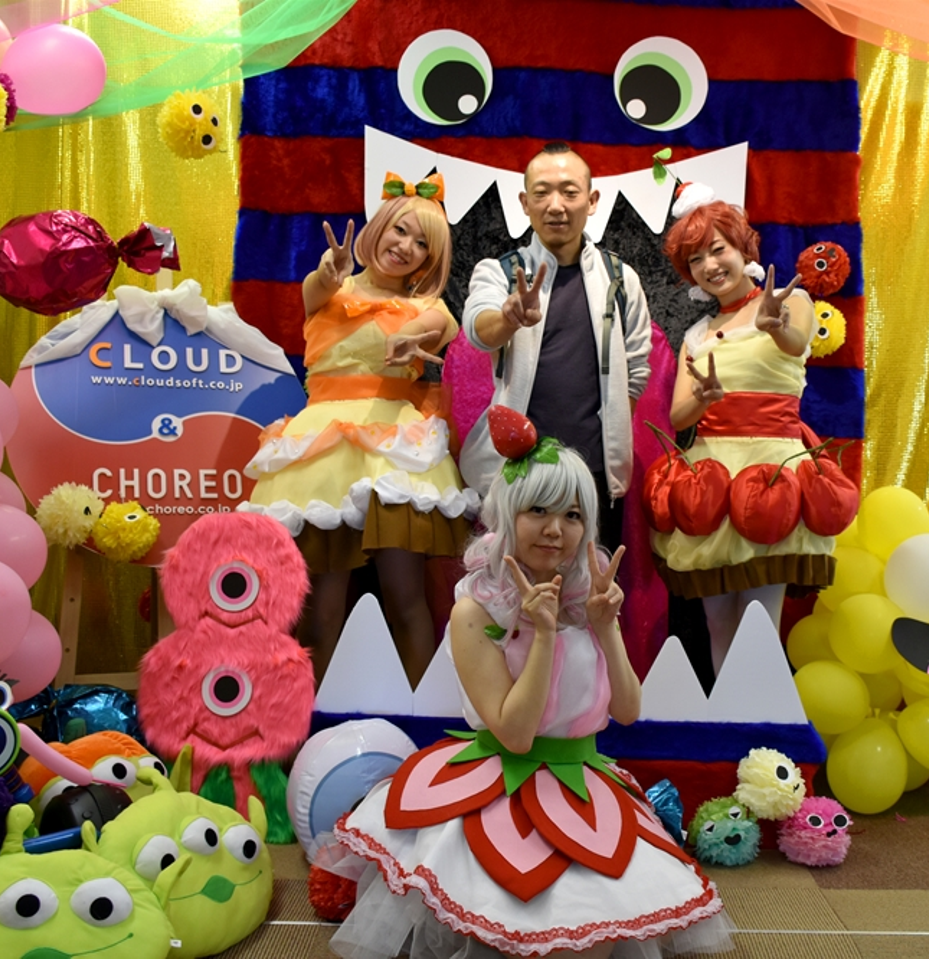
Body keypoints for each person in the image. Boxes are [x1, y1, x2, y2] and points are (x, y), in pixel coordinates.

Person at [331, 412, 734, 959]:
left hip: (581, 784)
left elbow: (628, 710)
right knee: (532, 936)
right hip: (503, 787)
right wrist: (542, 635)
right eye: (538, 510)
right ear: (506, 515)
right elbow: (516, 734)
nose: (555, 529)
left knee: (592, 941)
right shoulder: (475, 611)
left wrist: (605, 627)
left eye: (572, 515)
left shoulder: (587, 597)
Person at [240, 174, 475, 688]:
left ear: (430, 259)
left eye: (422, 244)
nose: (406, 247)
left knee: (406, 597)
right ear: (380, 226)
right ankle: (309, 716)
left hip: (395, 450)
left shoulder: (432, 308)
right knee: (320, 607)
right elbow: (318, 285)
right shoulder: (330, 290)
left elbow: (432, 329)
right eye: (400, 231)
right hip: (321, 450)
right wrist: (330, 270)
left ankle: (420, 720)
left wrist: (407, 337)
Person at [653, 195, 836, 675]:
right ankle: (727, 714)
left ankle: (761, 714)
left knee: (760, 620)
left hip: (771, 474)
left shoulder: (791, 300)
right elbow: (678, 416)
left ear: (742, 248)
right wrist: (704, 398)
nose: (710, 265)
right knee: (718, 624)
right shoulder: (698, 334)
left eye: (718, 249)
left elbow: (796, 342)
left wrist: (774, 326)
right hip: (711, 479)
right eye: (695, 259)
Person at [460, 142, 652, 556]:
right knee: (516, 585)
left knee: (593, 584)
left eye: (569, 192)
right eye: (542, 193)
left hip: (596, 472)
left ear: (592, 200)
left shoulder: (621, 278)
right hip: (519, 468)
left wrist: (610, 431)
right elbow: (478, 328)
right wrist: (509, 317)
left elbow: (637, 367)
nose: (556, 205)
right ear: (524, 203)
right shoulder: (500, 271)